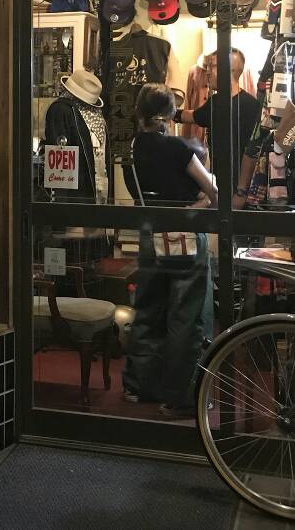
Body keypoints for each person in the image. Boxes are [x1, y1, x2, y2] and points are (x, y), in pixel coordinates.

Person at [123, 83, 217, 418]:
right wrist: (198, 204)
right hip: (183, 235)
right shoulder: (178, 148)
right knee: (186, 315)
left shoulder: (133, 148)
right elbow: (213, 191)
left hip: (150, 233)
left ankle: (140, 386)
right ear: (170, 113)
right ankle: (180, 396)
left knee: (148, 307)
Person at [177, 48, 261, 207]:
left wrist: (241, 192)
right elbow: (193, 116)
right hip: (220, 187)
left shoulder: (251, 106)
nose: (208, 72)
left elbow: (253, 152)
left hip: (243, 191)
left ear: (230, 69)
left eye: (213, 66)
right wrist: (166, 110)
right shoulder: (214, 102)